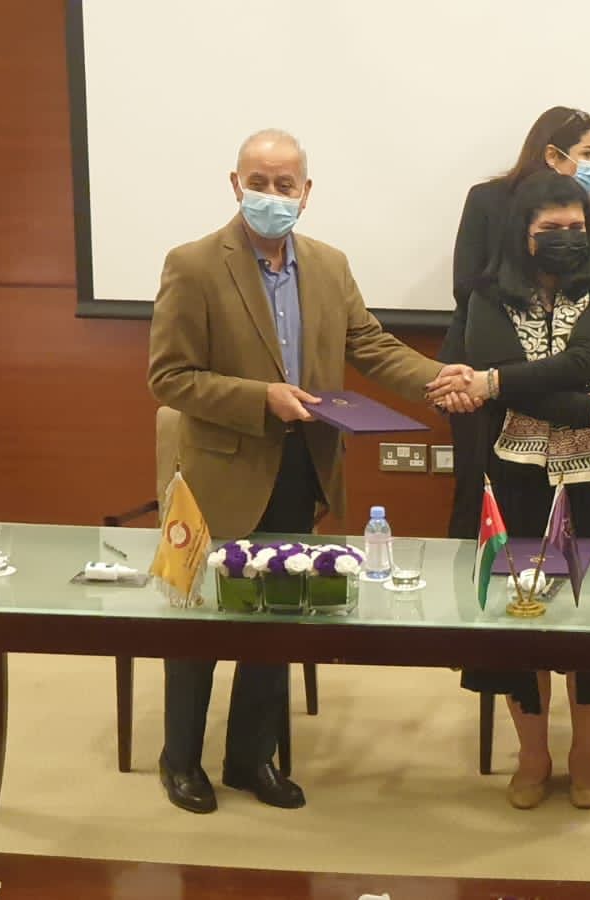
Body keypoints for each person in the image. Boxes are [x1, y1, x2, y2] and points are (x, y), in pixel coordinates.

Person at [148, 128, 475, 814]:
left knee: (278, 616)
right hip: (221, 475)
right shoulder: (194, 264)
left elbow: (371, 345)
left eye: (285, 184)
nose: (271, 196)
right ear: (235, 184)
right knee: (201, 624)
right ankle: (180, 759)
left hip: (303, 468)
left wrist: (438, 378)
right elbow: (170, 377)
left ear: (306, 192)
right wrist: (258, 397)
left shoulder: (328, 265)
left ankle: (250, 758)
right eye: (258, 183)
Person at [428, 172, 590, 811]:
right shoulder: (484, 298)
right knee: (516, 617)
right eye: (550, 228)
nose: (566, 238)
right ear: (522, 235)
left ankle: (585, 751)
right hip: (515, 479)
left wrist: (496, 383)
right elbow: (524, 386)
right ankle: (533, 752)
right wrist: (588, 408)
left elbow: (583, 363)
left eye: (576, 228)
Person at [443, 107, 590, 539]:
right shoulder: (487, 198)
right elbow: (465, 283)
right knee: (481, 490)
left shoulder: (581, 211)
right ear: (552, 153)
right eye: (586, 153)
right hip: (481, 361)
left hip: (559, 371)